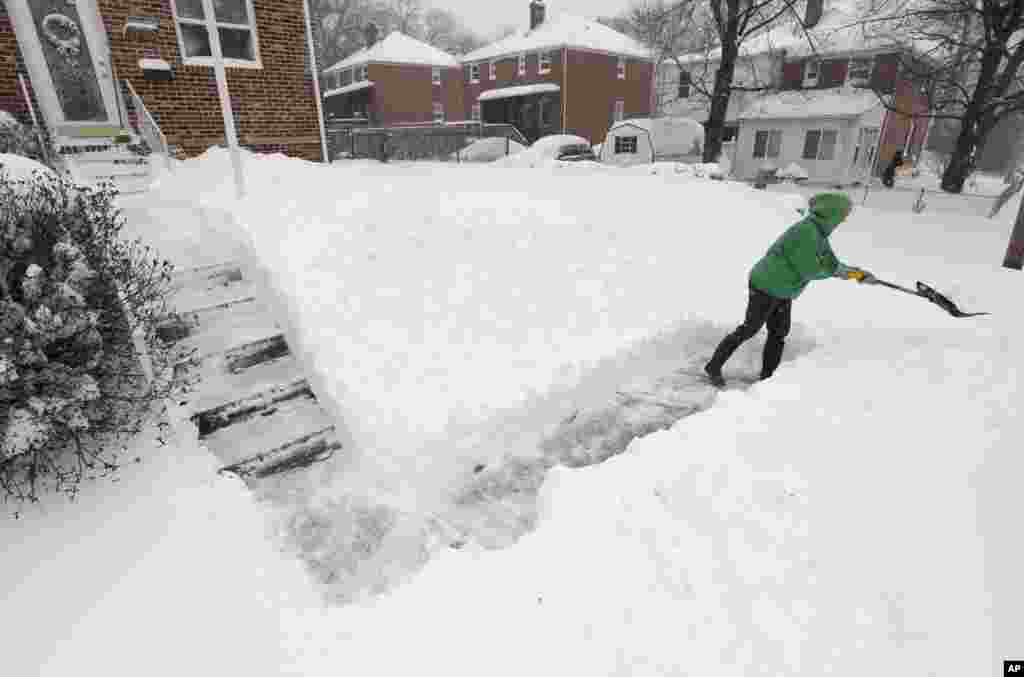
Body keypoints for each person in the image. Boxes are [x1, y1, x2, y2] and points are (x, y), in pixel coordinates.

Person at [704, 192, 876, 387]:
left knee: (778, 333)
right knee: (750, 328)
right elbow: (810, 269)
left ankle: (768, 379)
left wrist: (857, 274)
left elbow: (831, 263)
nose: (844, 220)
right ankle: (713, 366)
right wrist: (847, 274)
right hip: (766, 285)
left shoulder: (818, 234)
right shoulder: (806, 232)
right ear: (831, 213)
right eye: (843, 215)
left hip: (783, 289)